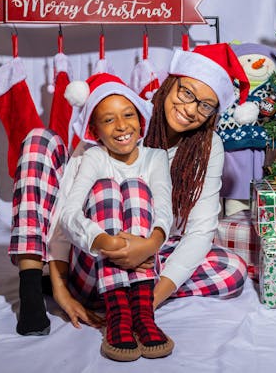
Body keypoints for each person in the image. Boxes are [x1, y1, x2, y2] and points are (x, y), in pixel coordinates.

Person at [8, 43, 249, 341]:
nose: (190, 108)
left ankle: (126, 304)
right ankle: (33, 286)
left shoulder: (209, 147)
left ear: (213, 112)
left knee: (232, 269)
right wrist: (60, 288)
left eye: (205, 104)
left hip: (149, 264)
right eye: (186, 93)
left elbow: (200, 231)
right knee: (39, 140)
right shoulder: (125, 115)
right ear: (171, 83)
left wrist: (149, 299)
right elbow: (67, 208)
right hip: (94, 253)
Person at [49, 72, 174, 361]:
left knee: (136, 188)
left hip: (142, 263)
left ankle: (143, 315)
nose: (121, 126)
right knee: (108, 187)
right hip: (94, 276)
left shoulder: (155, 158)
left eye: (128, 115)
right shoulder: (94, 157)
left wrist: (150, 243)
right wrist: (103, 240)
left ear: (140, 121)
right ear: (95, 130)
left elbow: (165, 210)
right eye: (108, 120)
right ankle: (118, 314)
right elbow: (68, 213)